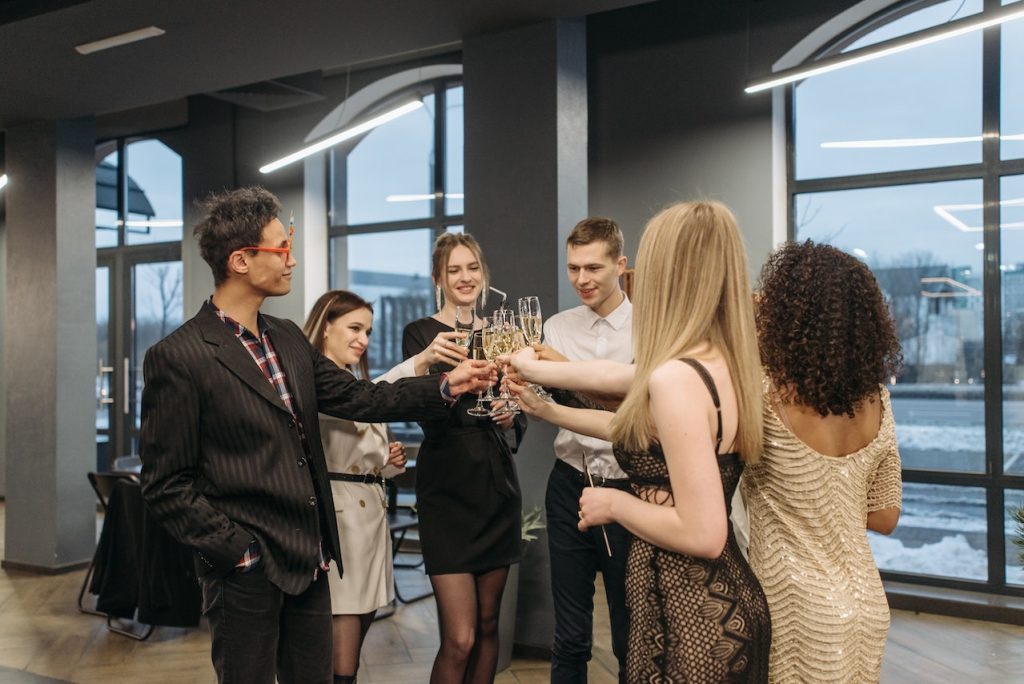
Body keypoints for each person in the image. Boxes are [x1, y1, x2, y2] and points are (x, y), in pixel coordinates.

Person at [139, 187, 492, 684]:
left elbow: (364, 399)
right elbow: (165, 484)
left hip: (310, 560)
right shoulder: (180, 355)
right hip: (246, 572)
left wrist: (445, 385)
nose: (292, 260)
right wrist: (240, 552)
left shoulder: (286, 337)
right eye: (282, 248)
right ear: (241, 260)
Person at [506, 201, 771, 682]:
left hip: (691, 609)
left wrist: (613, 504)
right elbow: (623, 391)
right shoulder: (727, 362)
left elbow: (704, 533)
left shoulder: (676, 373)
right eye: (574, 268)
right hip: (731, 598)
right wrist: (541, 393)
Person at [743, 240, 902, 683]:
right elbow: (885, 517)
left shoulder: (762, 394)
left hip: (794, 605)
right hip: (868, 605)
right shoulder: (879, 402)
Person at [303, 290, 470, 684]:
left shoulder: (347, 377)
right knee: (342, 652)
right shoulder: (316, 379)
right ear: (326, 328)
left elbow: (361, 435)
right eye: (354, 328)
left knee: (356, 637)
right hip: (342, 525)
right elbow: (373, 398)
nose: (363, 339)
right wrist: (424, 361)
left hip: (366, 518)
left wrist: (387, 465)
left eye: (368, 331)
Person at [402, 231, 525, 684]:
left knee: (490, 625)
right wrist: (456, 385)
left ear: (483, 274)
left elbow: (519, 409)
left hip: (496, 488)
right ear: (439, 277)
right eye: (454, 269)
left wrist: (511, 416)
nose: (464, 277)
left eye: (472, 267)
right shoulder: (422, 335)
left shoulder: (501, 335)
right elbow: (419, 406)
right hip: (447, 491)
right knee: (460, 638)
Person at [537, 217, 633, 683]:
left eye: (593, 267)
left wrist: (563, 369)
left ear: (620, 264)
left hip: (629, 490)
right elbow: (545, 400)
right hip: (569, 485)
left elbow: (636, 415)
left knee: (628, 630)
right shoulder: (556, 327)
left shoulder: (649, 327)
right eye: (573, 268)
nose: (582, 280)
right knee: (570, 634)